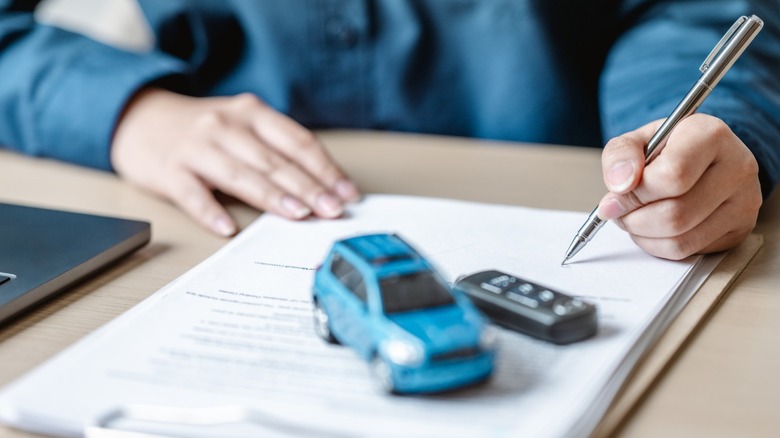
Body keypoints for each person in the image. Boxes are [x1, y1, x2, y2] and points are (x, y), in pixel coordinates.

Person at [1, 0, 779, 261]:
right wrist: (126, 111)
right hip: (213, 205)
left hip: (574, 187)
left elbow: (697, 13)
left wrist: (699, 123)